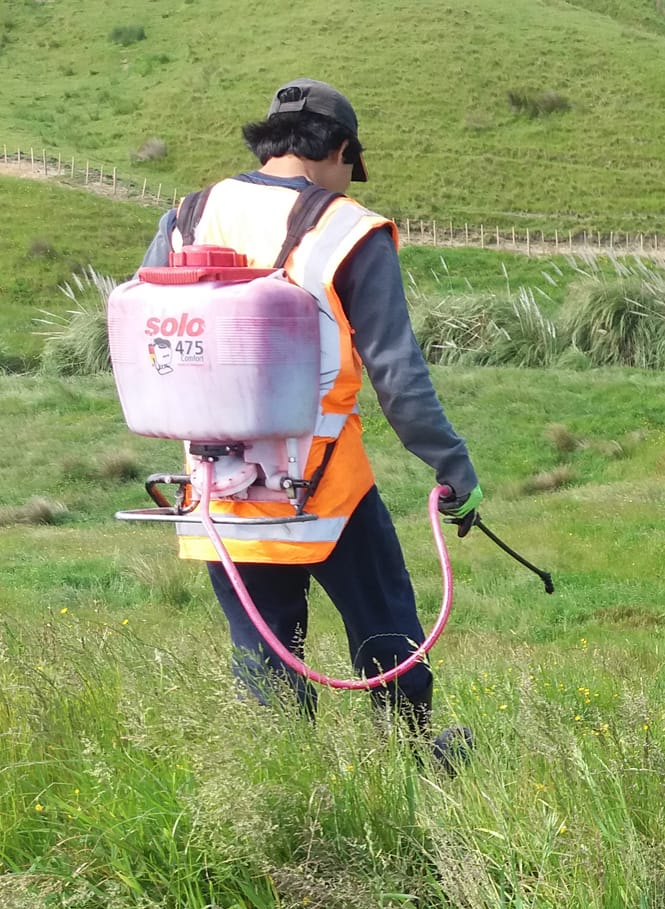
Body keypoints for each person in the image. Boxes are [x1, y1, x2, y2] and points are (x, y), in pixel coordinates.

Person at [140, 79, 481, 767]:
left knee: (266, 661)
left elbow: (150, 333)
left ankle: (289, 795)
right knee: (387, 636)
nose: (348, 184)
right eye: (350, 169)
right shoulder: (346, 226)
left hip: (217, 486)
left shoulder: (188, 215)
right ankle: (412, 767)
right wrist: (454, 468)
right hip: (325, 489)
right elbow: (399, 377)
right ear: (342, 150)